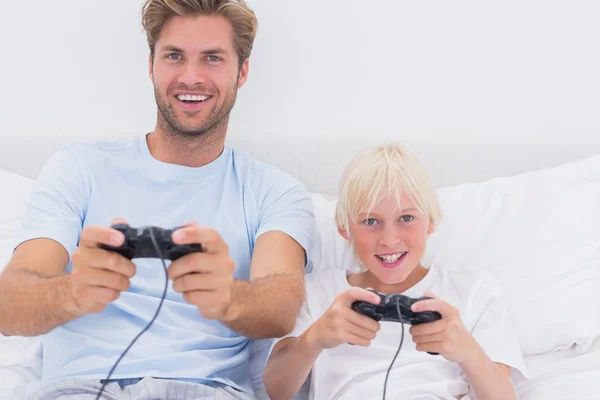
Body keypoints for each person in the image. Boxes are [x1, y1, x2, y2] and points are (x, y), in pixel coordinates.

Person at [0, 1, 315, 399]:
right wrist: (74, 291)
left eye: (213, 58)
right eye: (174, 56)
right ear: (151, 65)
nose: (191, 77)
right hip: (83, 388)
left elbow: (283, 306)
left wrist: (227, 296)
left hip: (209, 390)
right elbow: (9, 306)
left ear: (243, 72)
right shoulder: (78, 168)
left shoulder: (275, 191)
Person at [263, 143, 528, 400]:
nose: (389, 239)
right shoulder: (317, 293)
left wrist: (468, 352)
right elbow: (276, 390)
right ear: (344, 227)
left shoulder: (473, 291)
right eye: (370, 221)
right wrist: (315, 338)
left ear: (432, 220)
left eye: (406, 218)